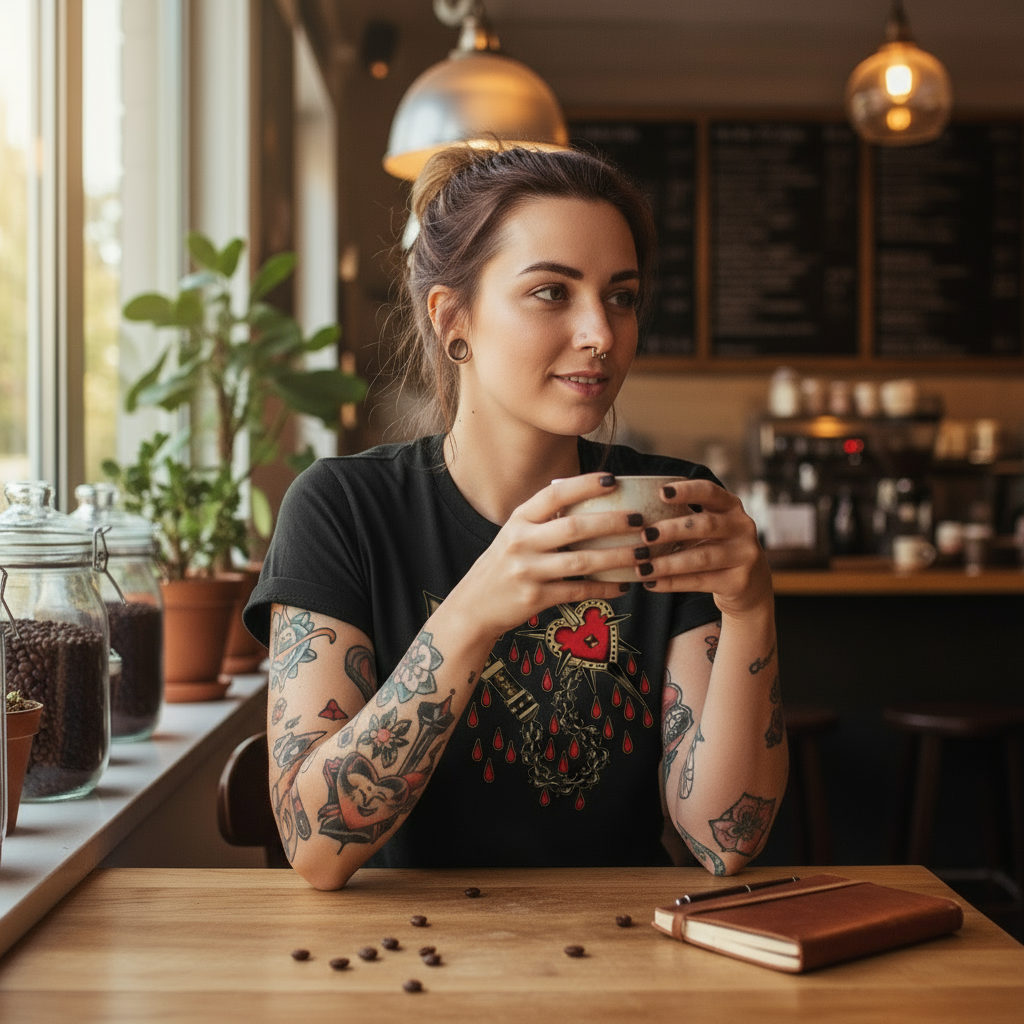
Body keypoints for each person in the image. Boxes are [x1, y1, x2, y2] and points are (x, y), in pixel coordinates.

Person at [244, 145, 787, 891]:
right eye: (551, 293)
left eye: (621, 296)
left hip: (627, 955)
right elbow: (315, 848)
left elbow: (727, 839)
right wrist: (476, 609)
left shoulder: (672, 508)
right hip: (406, 960)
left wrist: (751, 607)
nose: (601, 332)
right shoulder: (342, 510)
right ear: (452, 319)